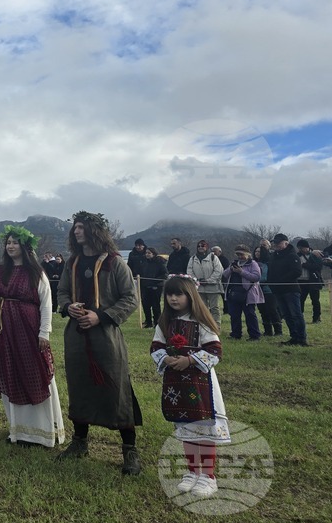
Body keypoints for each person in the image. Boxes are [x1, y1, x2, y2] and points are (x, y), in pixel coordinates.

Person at [57, 211, 143, 475]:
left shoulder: (115, 263)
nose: (76, 231)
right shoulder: (72, 262)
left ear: (94, 230)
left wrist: (101, 316)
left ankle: (129, 450)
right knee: (79, 384)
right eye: (75, 228)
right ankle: (80, 442)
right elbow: (61, 291)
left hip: (105, 335)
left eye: (81, 227)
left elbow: (130, 298)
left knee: (116, 387)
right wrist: (68, 306)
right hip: (76, 336)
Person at [150, 275, 229, 498]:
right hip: (176, 385)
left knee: (204, 430)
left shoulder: (201, 323)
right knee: (185, 429)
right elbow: (156, 346)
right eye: (170, 294)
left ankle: (208, 476)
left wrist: (190, 360)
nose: (173, 298)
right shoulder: (165, 323)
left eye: (179, 294)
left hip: (200, 384)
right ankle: (193, 472)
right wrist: (165, 359)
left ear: (190, 295)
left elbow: (215, 350)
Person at [0, 225, 65, 448]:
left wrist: (45, 332)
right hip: (5, 331)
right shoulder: (0, 270)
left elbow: (46, 303)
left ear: (24, 247)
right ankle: (19, 431)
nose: (11, 246)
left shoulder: (36, 272)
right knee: (11, 373)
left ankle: (41, 433)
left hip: (28, 329)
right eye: (8, 243)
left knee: (34, 374)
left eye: (15, 242)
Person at [268, 233, 307, 346]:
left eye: (279, 243)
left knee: (296, 314)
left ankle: (301, 338)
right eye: (275, 243)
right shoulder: (274, 256)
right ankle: (294, 337)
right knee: (287, 315)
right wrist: (272, 283)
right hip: (277, 290)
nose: (276, 245)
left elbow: (296, 272)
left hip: (290, 289)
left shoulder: (292, 256)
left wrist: (280, 280)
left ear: (286, 243)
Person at [222, 246, 263, 340]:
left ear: (248, 254)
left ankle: (254, 335)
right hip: (233, 293)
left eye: (241, 254)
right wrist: (231, 269)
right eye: (238, 254)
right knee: (234, 315)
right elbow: (224, 274)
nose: (239, 256)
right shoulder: (234, 263)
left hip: (247, 294)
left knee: (250, 315)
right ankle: (235, 334)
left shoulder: (253, 264)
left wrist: (241, 272)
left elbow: (256, 277)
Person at [186, 240, 224, 326]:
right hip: (199, 287)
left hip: (213, 287)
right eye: (198, 246)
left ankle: (216, 325)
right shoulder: (192, 258)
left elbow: (219, 271)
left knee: (214, 308)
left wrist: (208, 280)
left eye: (202, 246)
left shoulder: (213, 258)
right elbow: (189, 271)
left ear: (206, 247)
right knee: (202, 308)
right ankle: (204, 325)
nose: (200, 247)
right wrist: (196, 280)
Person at [254, 242, 282, 337]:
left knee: (272, 309)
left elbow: (264, 276)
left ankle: (278, 331)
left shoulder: (268, 263)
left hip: (269, 290)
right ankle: (268, 331)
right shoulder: (253, 263)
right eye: (256, 251)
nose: (257, 253)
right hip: (258, 290)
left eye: (259, 251)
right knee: (262, 311)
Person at [139, 247, 168, 329]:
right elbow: (141, 273)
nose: (147, 254)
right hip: (145, 287)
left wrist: (155, 281)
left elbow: (165, 274)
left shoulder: (160, 262)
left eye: (149, 253)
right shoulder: (144, 263)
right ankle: (148, 322)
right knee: (145, 305)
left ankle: (157, 322)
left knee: (155, 305)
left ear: (153, 254)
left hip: (156, 287)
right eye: (146, 253)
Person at [297, 240, 323, 324]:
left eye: (302, 248)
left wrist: (304, 265)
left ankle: (317, 317)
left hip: (313, 281)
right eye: (299, 248)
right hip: (301, 281)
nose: (300, 250)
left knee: (315, 301)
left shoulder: (315, 255)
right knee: (300, 300)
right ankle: (300, 317)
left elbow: (318, 266)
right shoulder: (297, 256)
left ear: (307, 247)